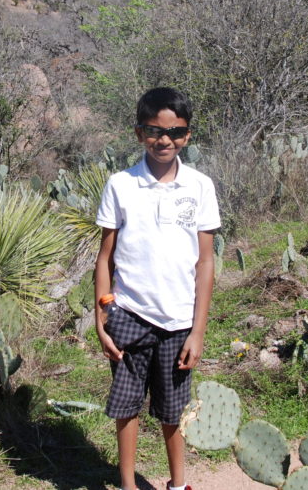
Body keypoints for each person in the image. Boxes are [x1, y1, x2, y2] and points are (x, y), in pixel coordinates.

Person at [94, 87, 220, 490]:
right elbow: (104, 258)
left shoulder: (199, 187)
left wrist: (198, 331)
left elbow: (206, 263)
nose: (164, 140)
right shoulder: (121, 185)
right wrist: (102, 320)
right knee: (126, 407)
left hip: (180, 319)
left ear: (188, 135)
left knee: (174, 409)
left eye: (176, 132)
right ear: (139, 132)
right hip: (129, 314)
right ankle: (128, 484)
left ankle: (178, 483)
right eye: (154, 130)